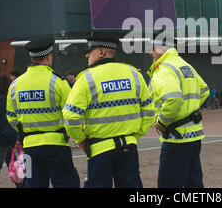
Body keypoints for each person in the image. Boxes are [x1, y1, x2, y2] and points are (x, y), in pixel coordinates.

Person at [63, 36, 154, 188]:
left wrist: (81, 141)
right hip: (128, 146)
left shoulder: (86, 78)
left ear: (101, 52)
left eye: (89, 51)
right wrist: (134, 135)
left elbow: (70, 115)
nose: (86, 55)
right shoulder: (134, 74)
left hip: (100, 149)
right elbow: (149, 111)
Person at [6, 37, 80, 188]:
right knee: (66, 183)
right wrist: (72, 135)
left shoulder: (15, 85)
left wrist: (23, 131)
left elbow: (11, 117)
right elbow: (70, 113)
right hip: (57, 144)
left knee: (33, 185)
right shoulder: (58, 82)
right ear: (48, 56)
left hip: (30, 146)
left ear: (31, 57)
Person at [148, 38, 209, 188]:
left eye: (153, 49)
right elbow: (204, 90)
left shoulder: (163, 70)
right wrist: (190, 111)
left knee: (168, 183)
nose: (151, 53)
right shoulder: (185, 65)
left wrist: (161, 122)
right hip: (194, 134)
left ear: (161, 50)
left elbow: (173, 99)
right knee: (193, 182)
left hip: (177, 137)